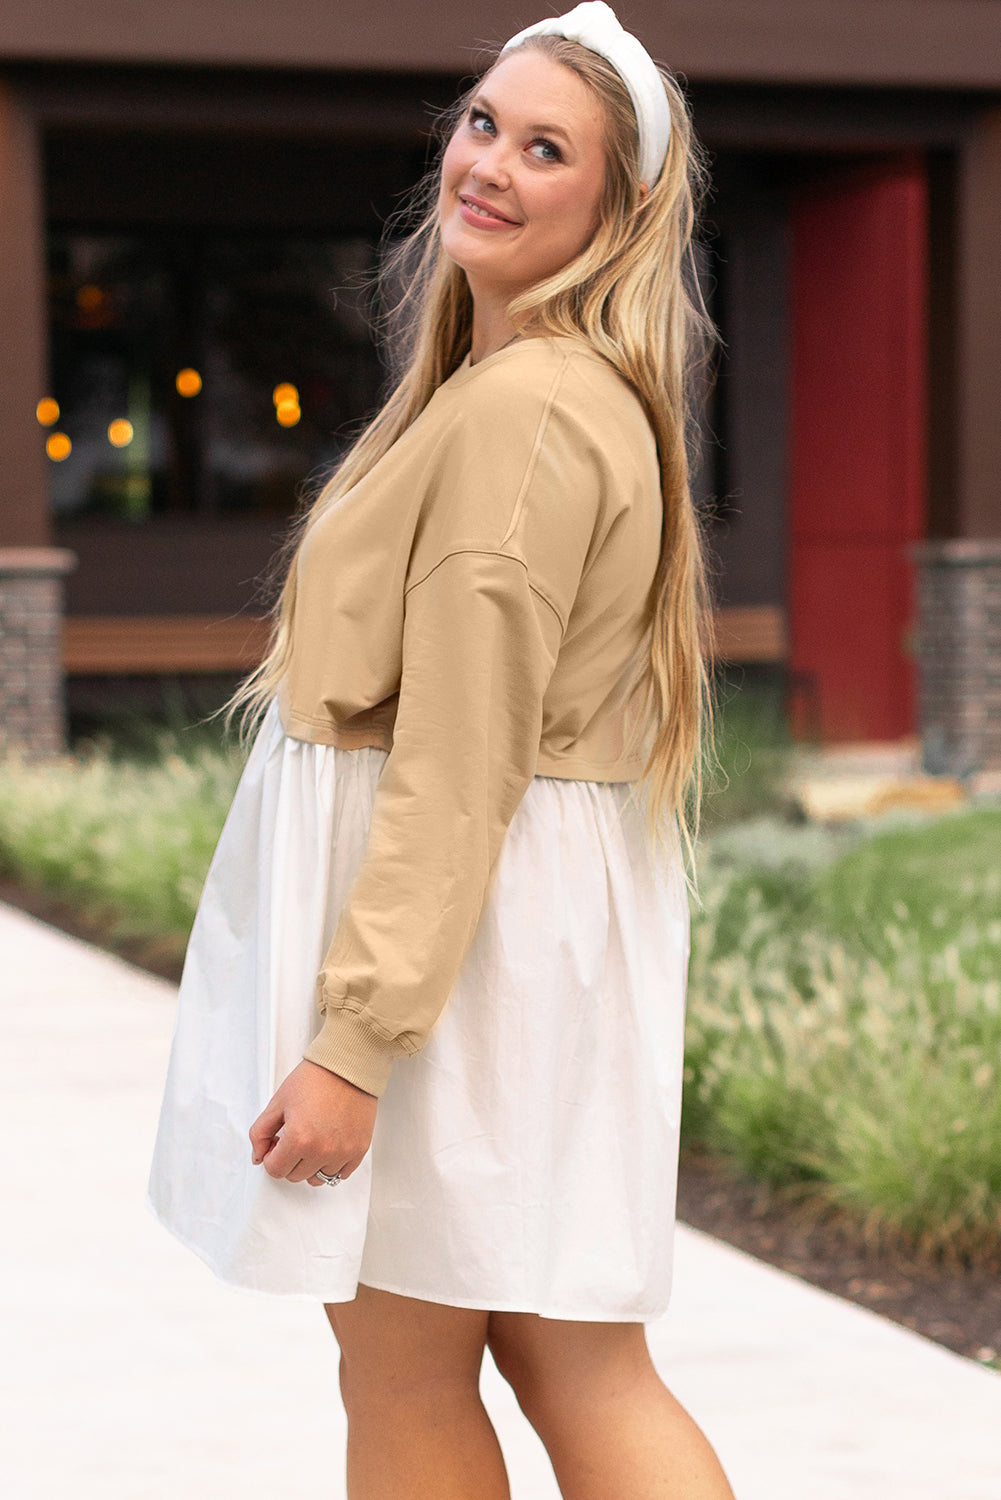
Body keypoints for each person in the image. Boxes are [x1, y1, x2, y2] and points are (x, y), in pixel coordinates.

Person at [147, 4, 735, 1496]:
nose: (490, 165)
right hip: (500, 943)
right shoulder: (535, 388)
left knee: (416, 1373)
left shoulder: (527, 411)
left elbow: (460, 761)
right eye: (484, 124)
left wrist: (354, 1044)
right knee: (567, 1358)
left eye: (547, 150)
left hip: (459, 964)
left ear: (615, 211)